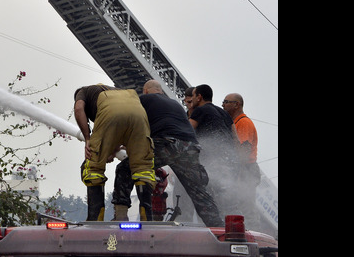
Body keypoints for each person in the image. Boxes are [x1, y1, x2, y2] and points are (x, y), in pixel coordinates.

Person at [110, 80, 223, 226]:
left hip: (166, 144)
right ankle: (217, 226)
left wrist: (113, 148)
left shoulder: (143, 99)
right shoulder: (175, 104)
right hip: (189, 147)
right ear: (161, 91)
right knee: (198, 191)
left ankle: (121, 216)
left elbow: (126, 123)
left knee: (125, 169)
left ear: (145, 90)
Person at [74, 84, 155, 221]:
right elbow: (119, 127)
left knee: (93, 168)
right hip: (138, 113)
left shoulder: (82, 92)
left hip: (110, 113)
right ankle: (147, 217)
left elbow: (78, 109)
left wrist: (88, 138)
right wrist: (111, 150)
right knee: (143, 168)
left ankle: (95, 219)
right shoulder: (120, 92)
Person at [188, 84, 240, 218]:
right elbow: (235, 139)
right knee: (228, 199)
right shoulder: (224, 113)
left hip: (210, 162)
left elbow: (186, 131)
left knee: (208, 199)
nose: (191, 99)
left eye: (193, 96)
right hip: (229, 162)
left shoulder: (199, 111)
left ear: (199, 97)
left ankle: (212, 228)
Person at [223, 92, 261, 225]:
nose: (223, 105)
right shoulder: (236, 122)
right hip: (243, 168)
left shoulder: (243, 123)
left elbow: (243, 152)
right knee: (241, 206)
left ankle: (254, 237)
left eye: (226, 102)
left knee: (246, 207)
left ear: (236, 105)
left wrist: (237, 173)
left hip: (246, 169)